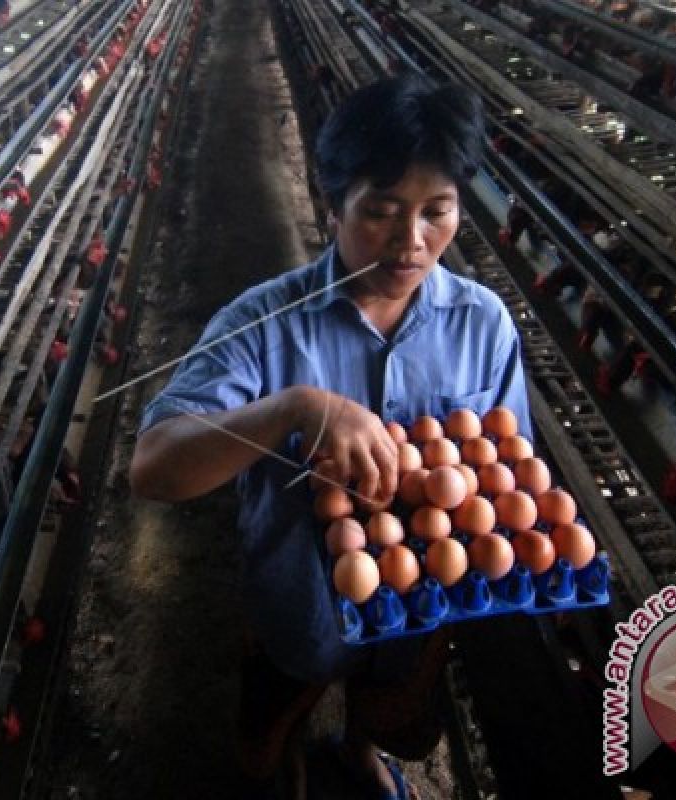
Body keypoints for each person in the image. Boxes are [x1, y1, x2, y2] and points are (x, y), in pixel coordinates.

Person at [130, 74, 532, 799]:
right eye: (381, 212)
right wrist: (291, 410)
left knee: (388, 696)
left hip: (419, 604)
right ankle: (277, 764)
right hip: (298, 601)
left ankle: (359, 746)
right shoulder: (263, 325)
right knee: (270, 720)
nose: (413, 242)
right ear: (330, 203)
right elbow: (154, 469)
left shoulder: (484, 326)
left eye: (438, 211)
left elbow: (505, 474)